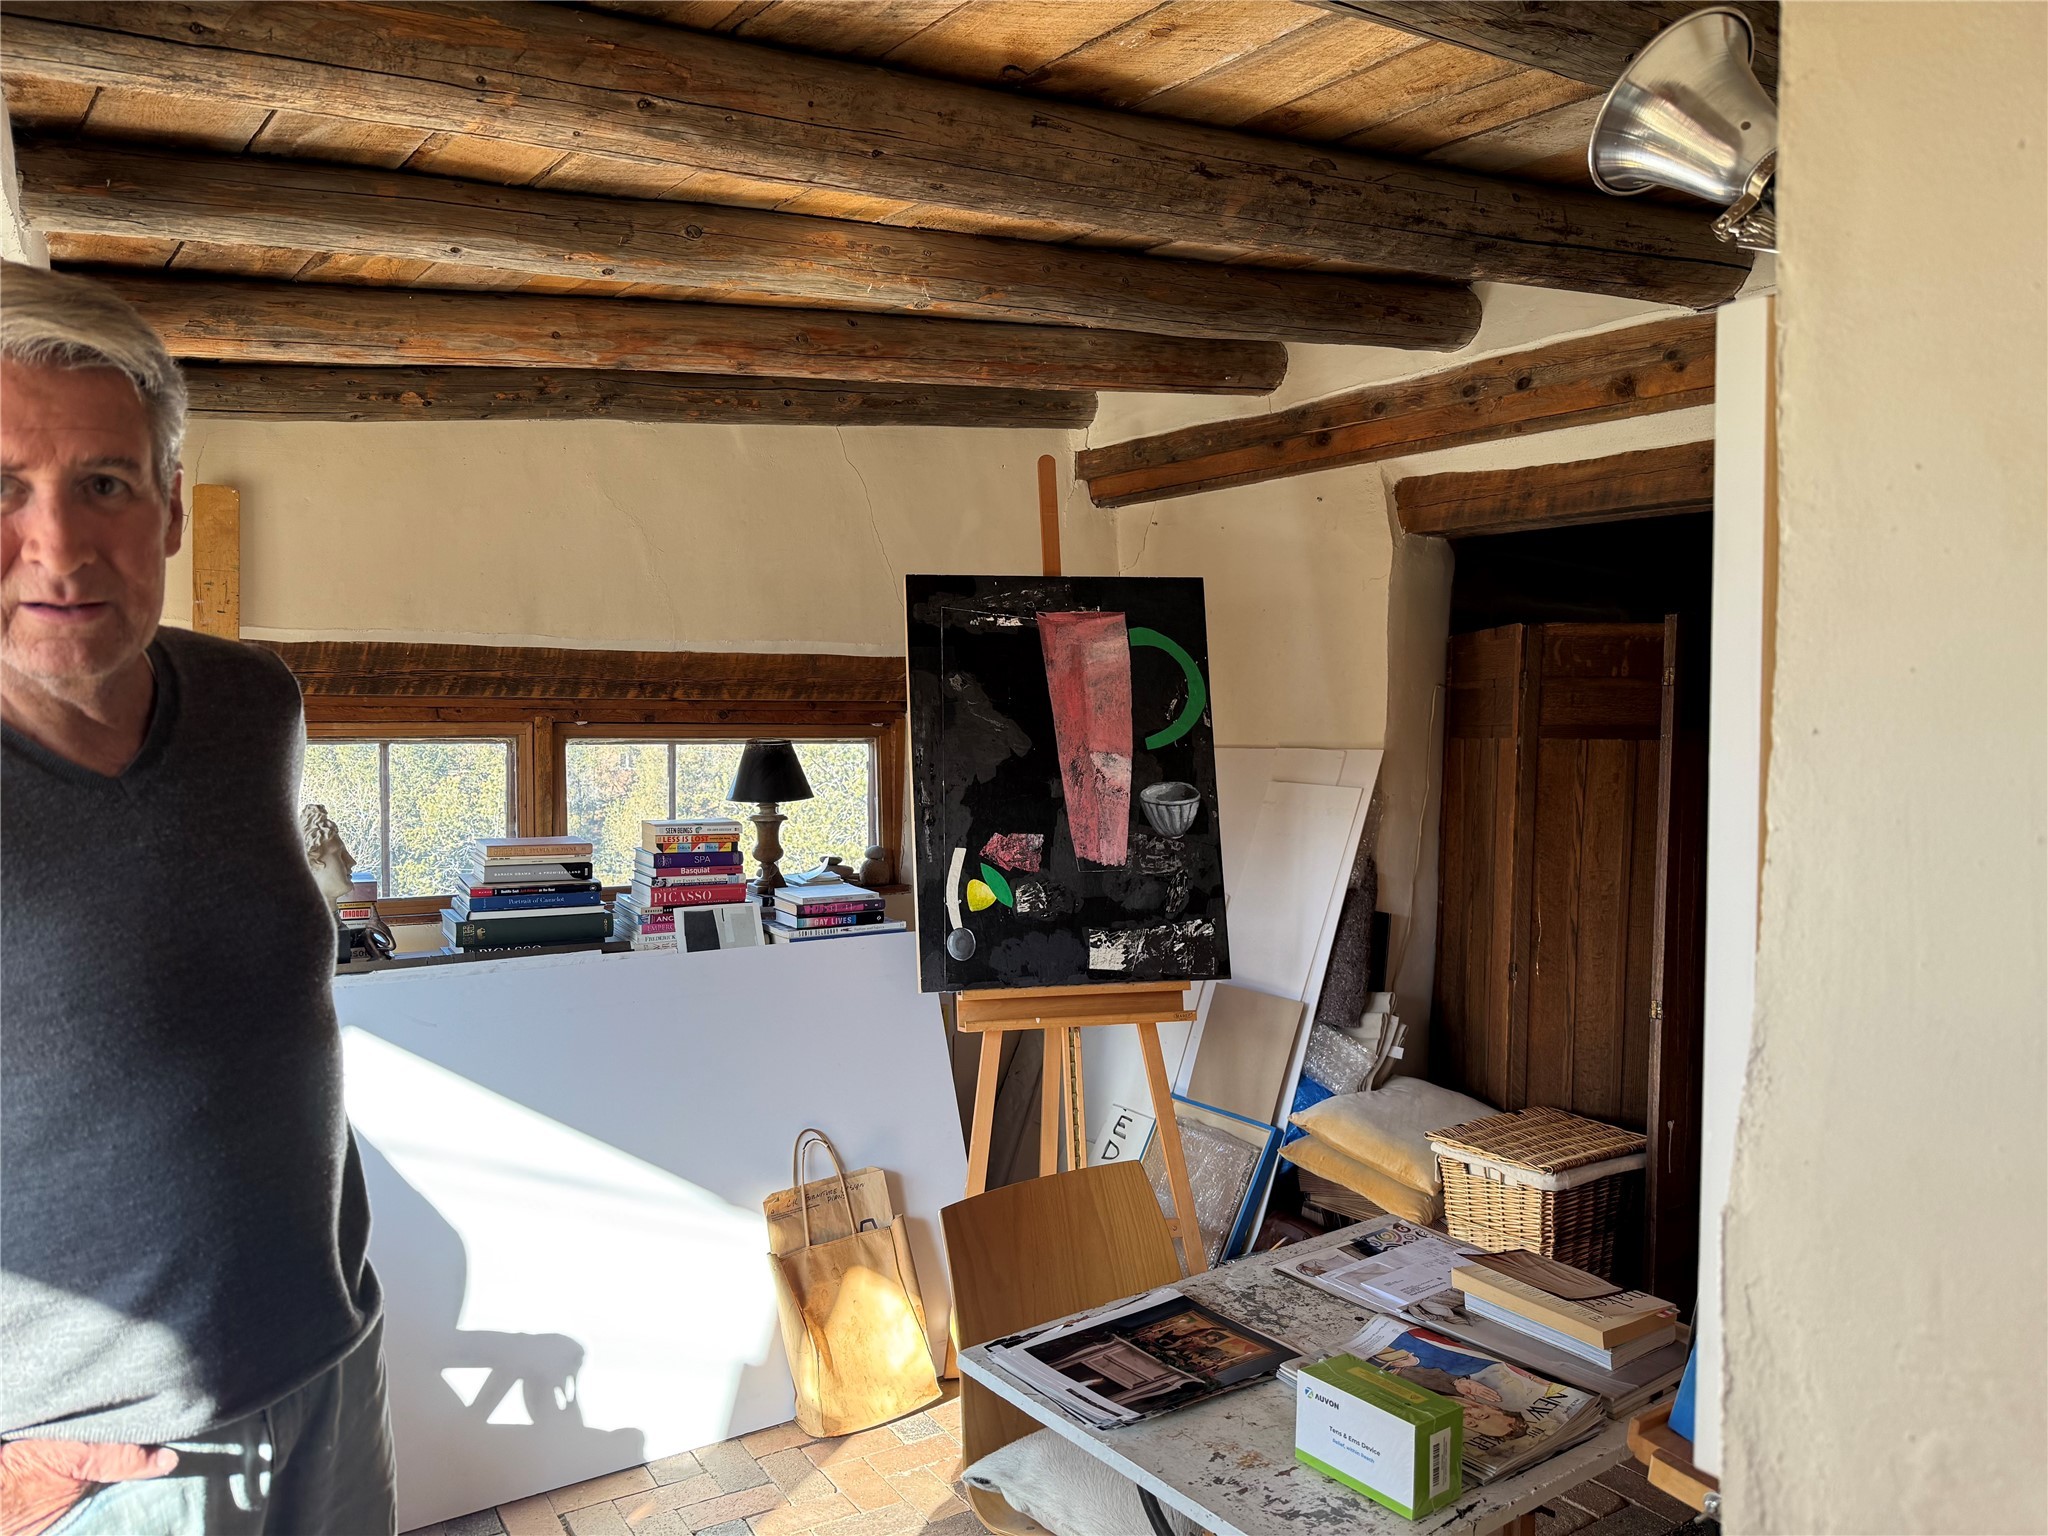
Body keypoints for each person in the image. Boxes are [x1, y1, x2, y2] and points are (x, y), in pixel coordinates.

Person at [0, 261, 394, 1536]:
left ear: (171, 506)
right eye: (2, 488)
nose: (59, 546)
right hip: (95, 1468)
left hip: (330, 1376)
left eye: (104, 483)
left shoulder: (248, 703)